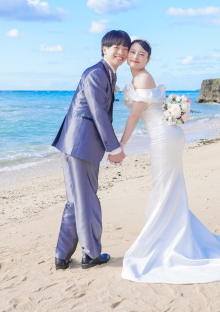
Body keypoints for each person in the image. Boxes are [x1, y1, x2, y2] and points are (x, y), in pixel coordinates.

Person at [119, 39, 220, 283]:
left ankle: (162, 244)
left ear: (148, 59)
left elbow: (135, 115)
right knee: (167, 189)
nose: (136, 56)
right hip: (164, 134)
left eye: (142, 54)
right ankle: (168, 239)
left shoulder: (143, 79)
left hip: (163, 136)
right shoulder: (135, 79)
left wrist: (121, 145)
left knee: (164, 189)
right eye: (132, 52)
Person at [52, 30, 131, 270]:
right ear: (104, 49)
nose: (121, 52)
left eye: (125, 49)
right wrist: (114, 147)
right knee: (86, 200)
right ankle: (91, 254)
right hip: (81, 143)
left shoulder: (107, 74)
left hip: (78, 143)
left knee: (77, 200)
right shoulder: (96, 73)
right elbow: (98, 112)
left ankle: (62, 256)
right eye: (115, 47)